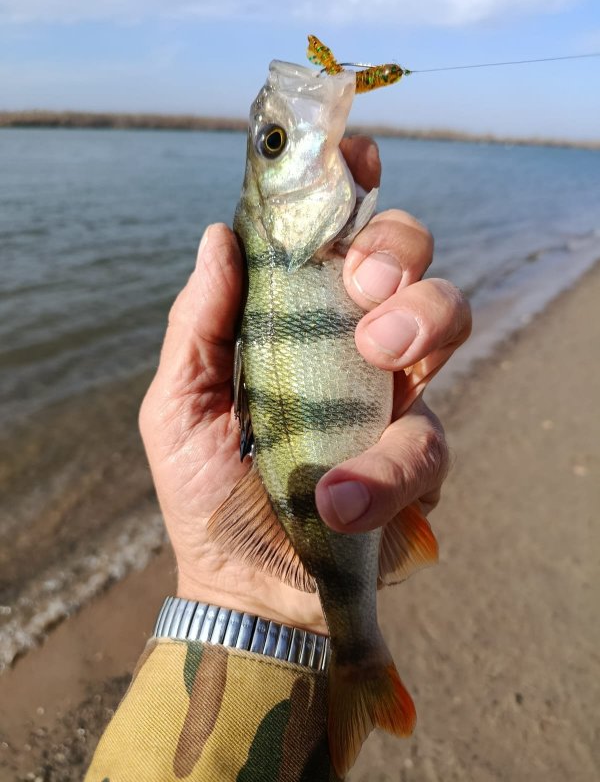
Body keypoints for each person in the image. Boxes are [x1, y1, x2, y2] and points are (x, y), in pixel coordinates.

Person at [84, 137, 471, 781]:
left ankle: (350, 651)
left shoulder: (328, 237)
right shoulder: (302, 242)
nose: (291, 142)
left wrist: (249, 611)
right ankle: (358, 656)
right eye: (275, 143)